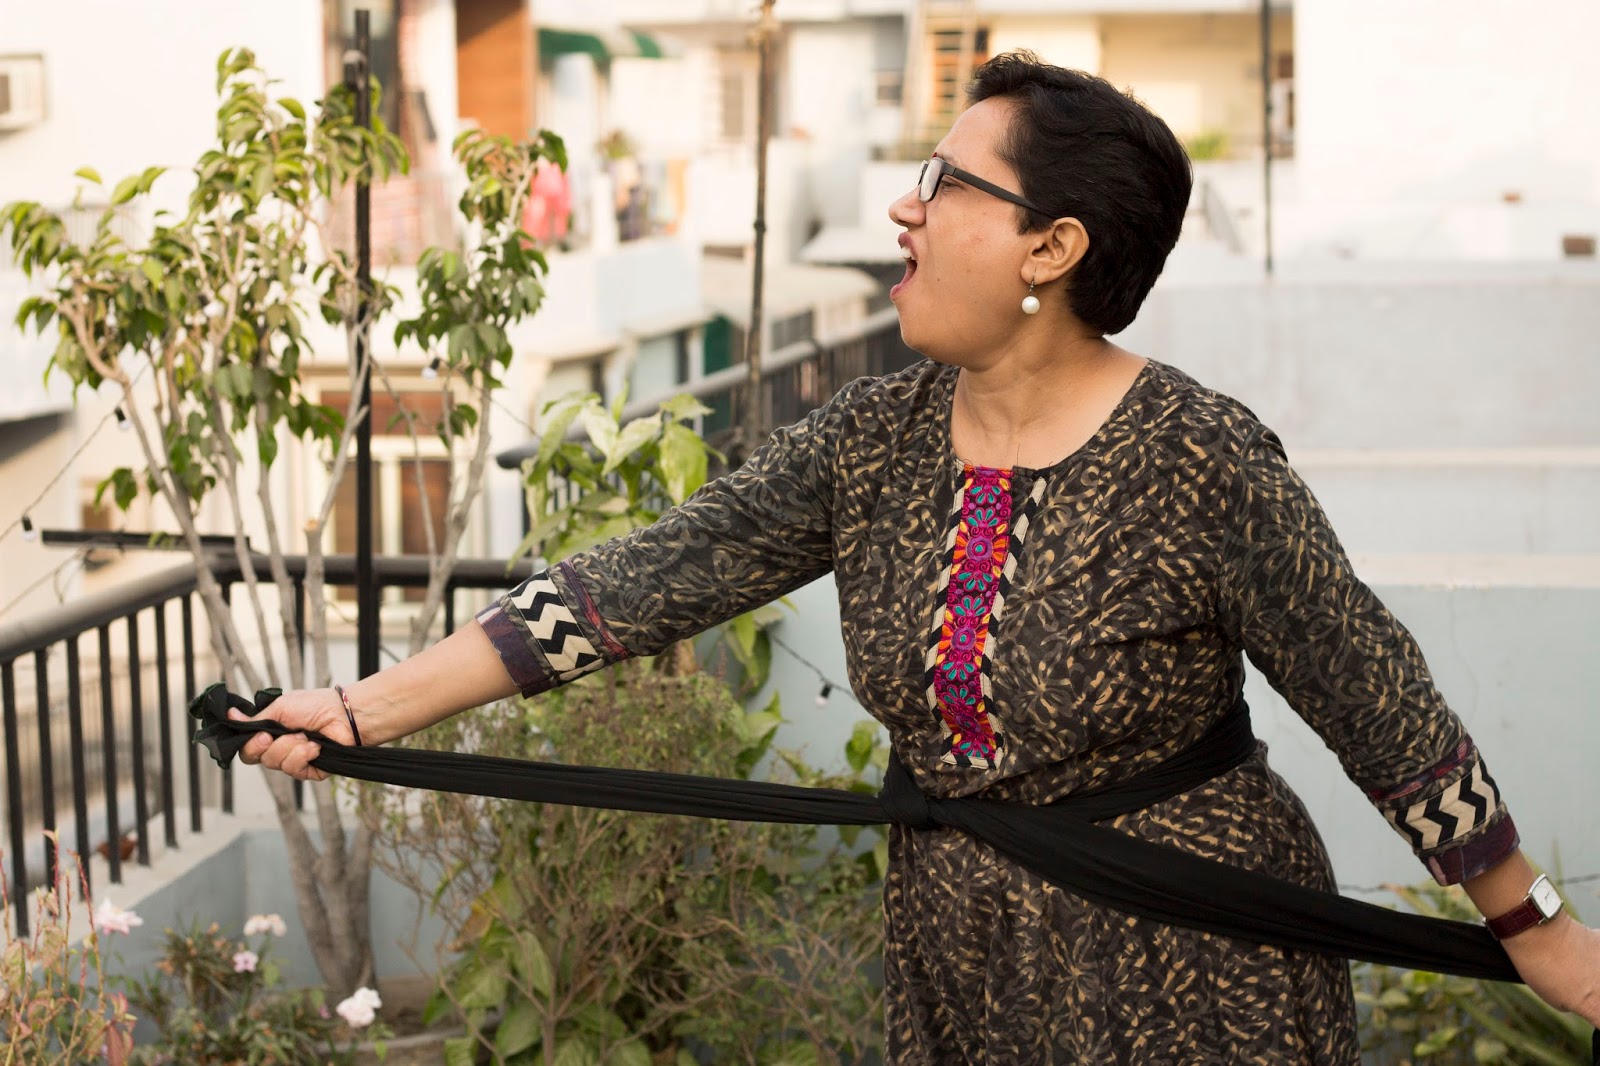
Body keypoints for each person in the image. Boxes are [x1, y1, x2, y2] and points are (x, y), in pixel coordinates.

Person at [238, 52, 1600, 1063]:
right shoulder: (874, 437)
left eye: (946, 182)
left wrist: (1536, 926)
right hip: (962, 951)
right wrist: (358, 711)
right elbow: (637, 584)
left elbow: (1381, 705)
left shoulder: (1202, 456)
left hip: (1190, 958)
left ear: (1051, 247)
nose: (905, 206)